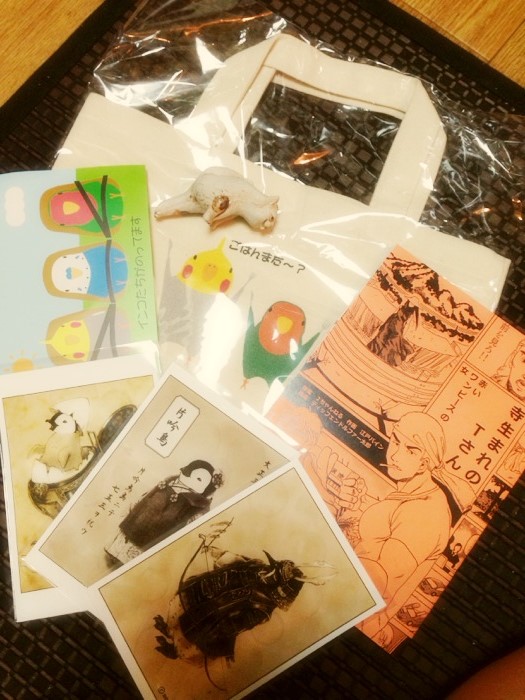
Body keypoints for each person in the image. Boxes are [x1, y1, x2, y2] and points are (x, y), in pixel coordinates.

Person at [352, 411, 472, 644]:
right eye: (396, 441)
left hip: (357, 622)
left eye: (411, 450)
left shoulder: (427, 512)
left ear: (425, 463)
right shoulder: (411, 492)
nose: (395, 454)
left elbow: (379, 580)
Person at [105, 460, 223, 565]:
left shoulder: (196, 504)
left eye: (203, 483)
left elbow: (192, 522)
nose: (198, 484)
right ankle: (114, 553)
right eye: (198, 479)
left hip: (160, 529)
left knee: (136, 552)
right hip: (141, 517)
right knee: (123, 540)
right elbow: (147, 495)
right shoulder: (170, 480)